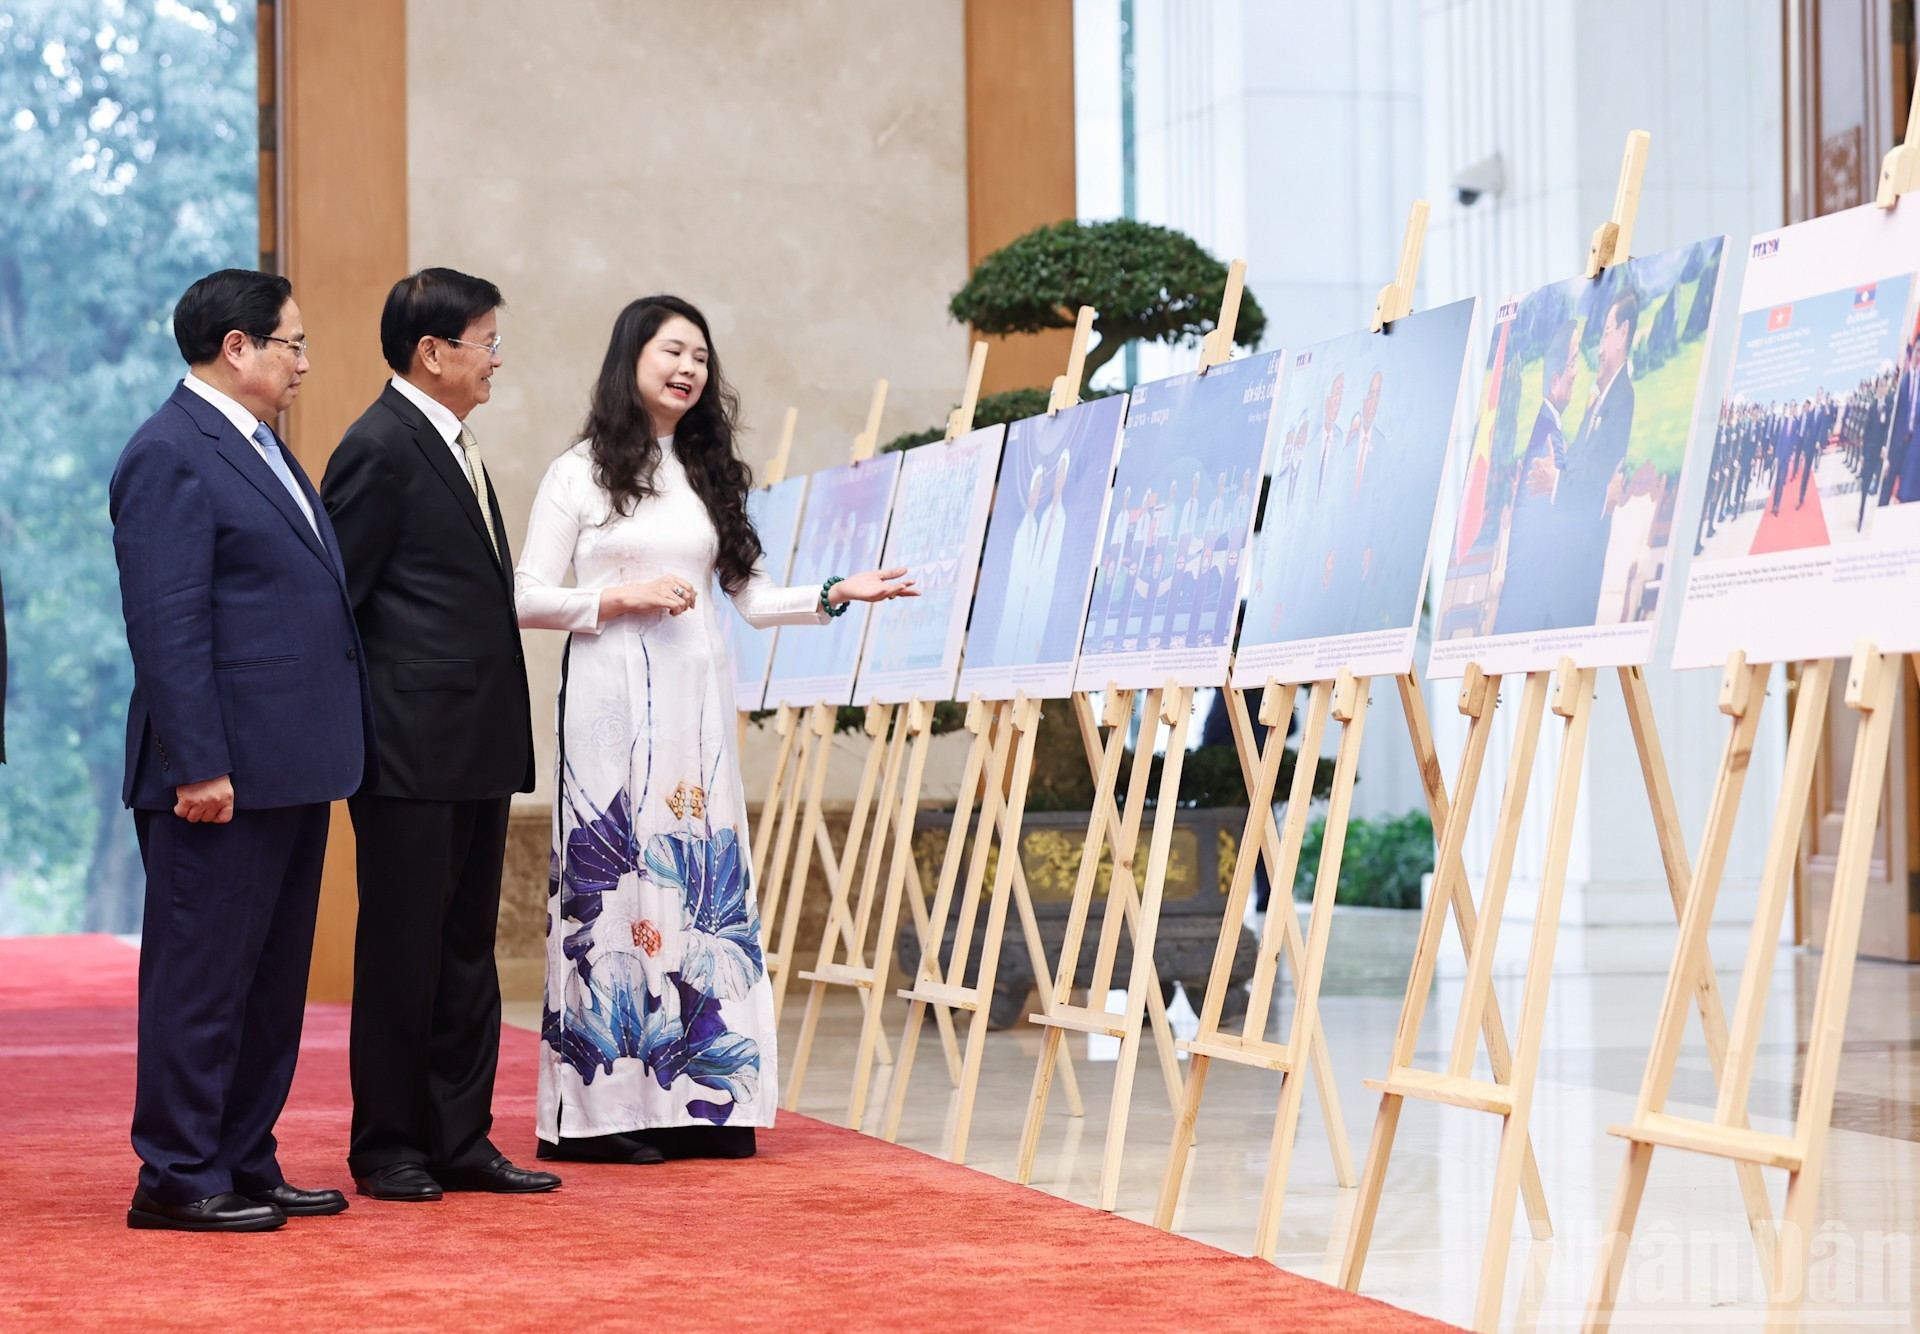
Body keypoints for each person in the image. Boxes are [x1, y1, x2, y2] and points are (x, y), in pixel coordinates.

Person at [514, 294, 914, 1163]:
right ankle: (600, 1114)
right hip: (610, 708)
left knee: (695, 885)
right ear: (631, 360)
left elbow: (755, 598)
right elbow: (523, 596)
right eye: (672, 351)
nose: (690, 368)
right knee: (618, 890)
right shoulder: (576, 473)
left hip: (696, 708)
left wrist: (838, 593)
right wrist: (617, 598)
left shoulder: (708, 475)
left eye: (700, 355)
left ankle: (699, 1097)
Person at [109, 268, 375, 1231]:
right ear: (238, 346)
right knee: (201, 978)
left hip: (289, 766)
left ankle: (242, 1157)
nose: (305, 361)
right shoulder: (170, 452)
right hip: (218, 775)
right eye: (292, 343)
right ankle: (177, 1173)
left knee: (267, 983)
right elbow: (168, 624)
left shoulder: (259, 448)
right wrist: (200, 762)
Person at [319, 268, 558, 1201]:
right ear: (434, 351)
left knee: (466, 952)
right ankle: (387, 1146)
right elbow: (340, 604)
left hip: (474, 744)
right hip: (408, 751)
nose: (498, 358)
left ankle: (461, 1139)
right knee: (402, 950)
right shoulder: (379, 446)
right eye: (487, 341)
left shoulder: (454, 445)